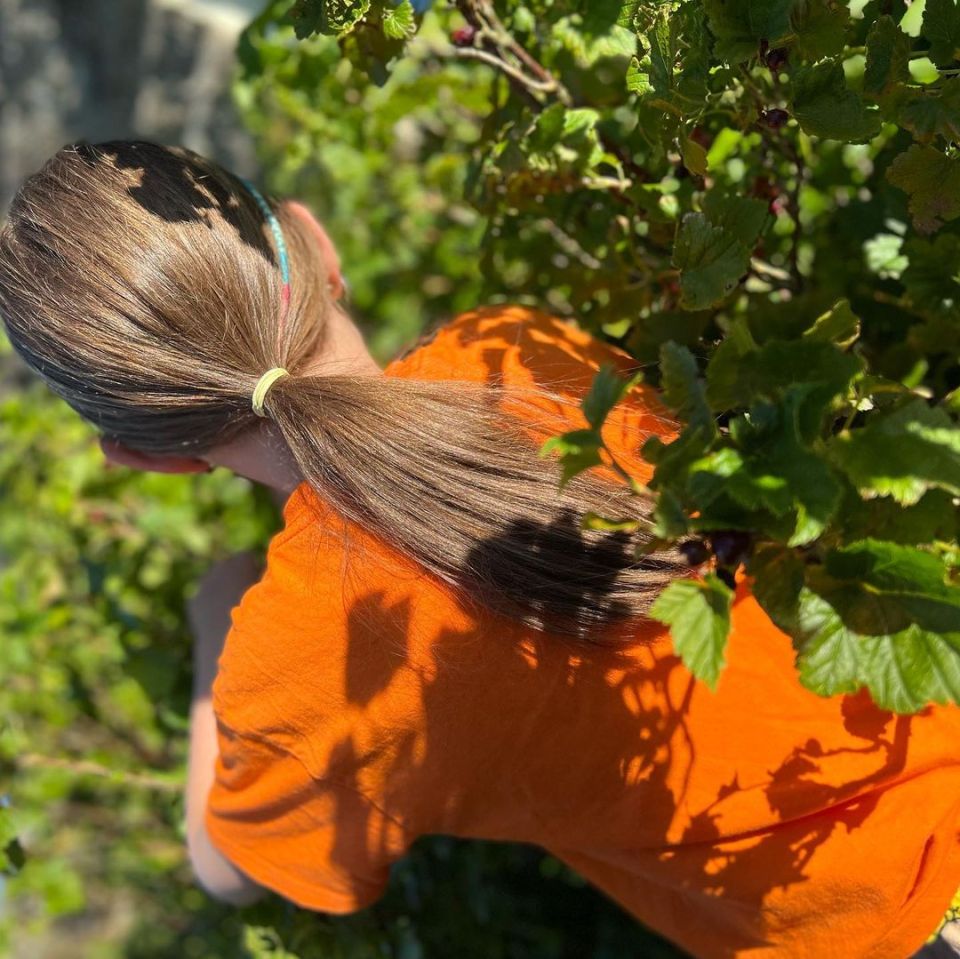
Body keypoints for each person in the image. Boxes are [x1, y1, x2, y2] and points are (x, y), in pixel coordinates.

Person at [1, 140, 959, 959]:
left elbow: (230, 866)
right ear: (316, 242)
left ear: (142, 456)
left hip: (882, 927)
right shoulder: (514, 348)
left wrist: (218, 628)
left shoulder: (293, 672)